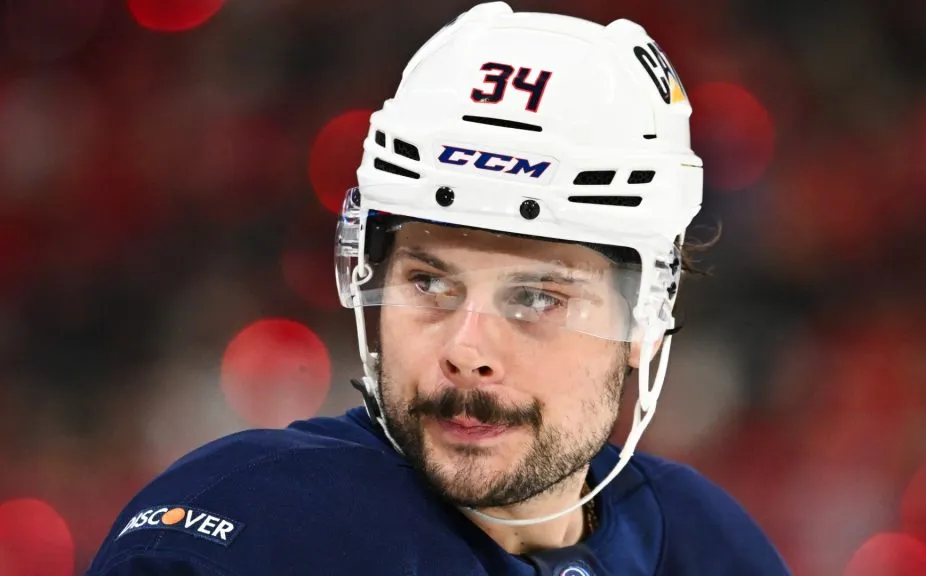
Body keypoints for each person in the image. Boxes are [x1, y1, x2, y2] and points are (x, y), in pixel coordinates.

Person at [87, 2, 790, 574]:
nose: (466, 350)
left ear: (644, 318)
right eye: (429, 283)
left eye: (537, 297)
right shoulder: (257, 529)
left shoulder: (706, 546)